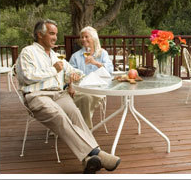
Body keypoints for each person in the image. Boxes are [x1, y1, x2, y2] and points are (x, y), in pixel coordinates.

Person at [16, 19, 120, 174]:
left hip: (59, 94)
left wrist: (74, 74)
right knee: (60, 116)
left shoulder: (55, 55)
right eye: (51, 33)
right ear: (39, 35)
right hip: (37, 95)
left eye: (56, 34)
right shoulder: (28, 52)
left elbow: (73, 71)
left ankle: (88, 161)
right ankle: (97, 153)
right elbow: (27, 76)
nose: (55, 38)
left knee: (76, 115)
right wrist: (53, 70)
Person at [69, 26, 113, 129]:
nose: (83, 39)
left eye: (86, 37)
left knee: (86, 97)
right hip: (80, 88)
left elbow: (110, 71)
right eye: (82, 37)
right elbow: (70, 73)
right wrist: (70, 85)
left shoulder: (102, 54)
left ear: (93, 38)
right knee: (82, 97)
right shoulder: (76, 56)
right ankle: (83, 127)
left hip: (98, 89)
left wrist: (95, 62)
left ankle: (83, 127)